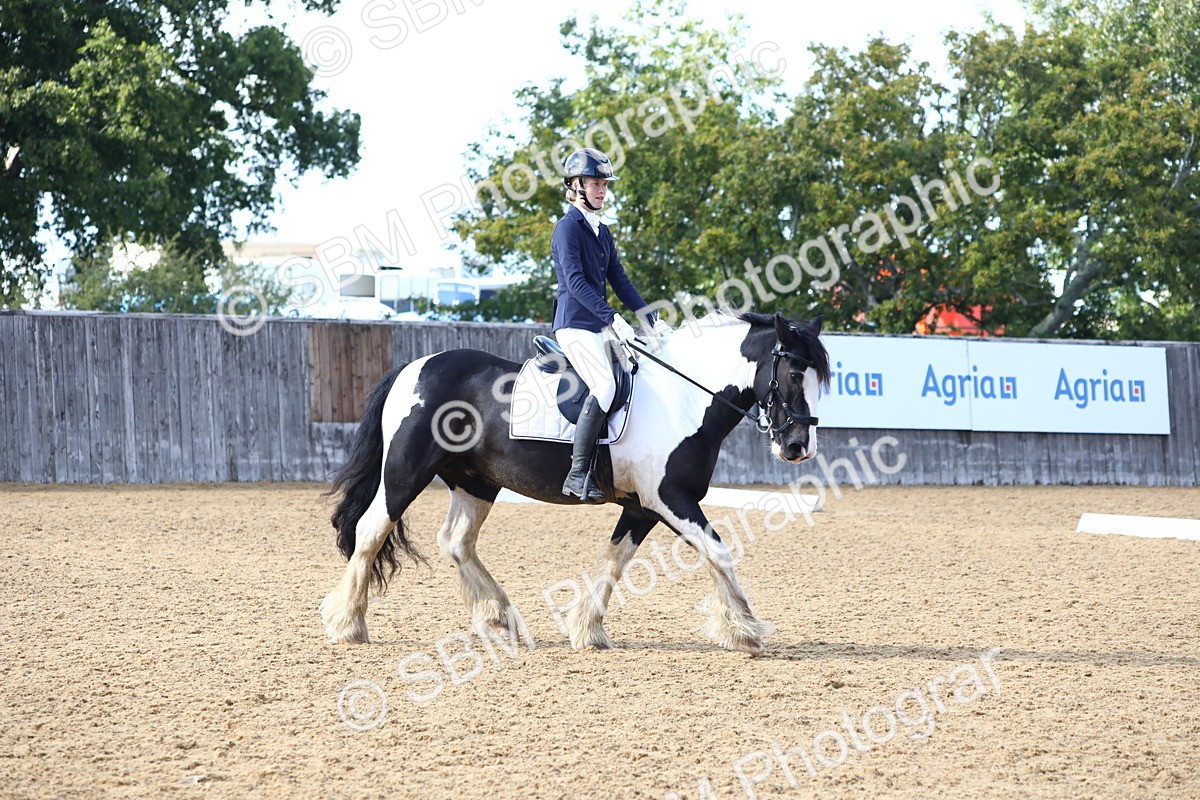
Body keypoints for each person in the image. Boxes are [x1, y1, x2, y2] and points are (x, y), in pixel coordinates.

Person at [551, 147, 667, 502]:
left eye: (604, 184)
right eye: (594, 183)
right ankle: (576, 474)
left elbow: (621, 281)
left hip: (598, 325)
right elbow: (576, 284)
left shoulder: (602, 231)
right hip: (573, 324)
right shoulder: (567, 229)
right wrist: (614, 318)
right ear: (575, 186)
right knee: (603, 387)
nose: (602, 190)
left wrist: (651, 321)